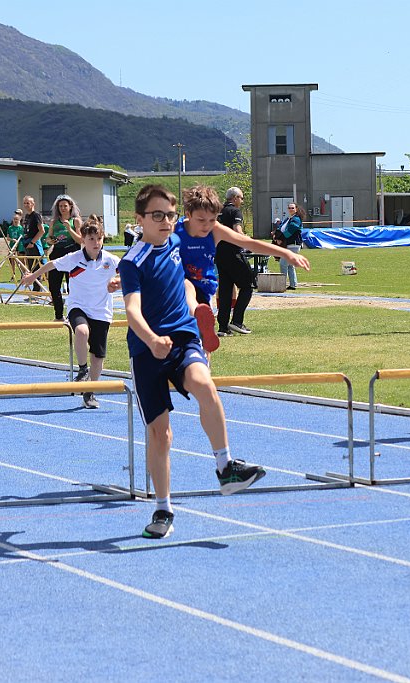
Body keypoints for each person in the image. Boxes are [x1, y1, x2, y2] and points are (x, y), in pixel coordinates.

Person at [118, 184, 267, 539]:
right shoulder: (132, 262)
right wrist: (152, 339)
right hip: (147, 350)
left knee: (205, 384)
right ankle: (163, 508)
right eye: (157, 215)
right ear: (140, 220)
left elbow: (218, 236)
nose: (166, 221)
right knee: (161, 434)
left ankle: (226, 467)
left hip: (183, 337)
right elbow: (132, 311)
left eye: (170, 215)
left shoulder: (176, 239)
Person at [176, 185, 309, 352]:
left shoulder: (215, 230)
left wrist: (286, 253)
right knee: (186, 285)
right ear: (188, 214)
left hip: (204, 287)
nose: (206, 226)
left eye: (212, 220)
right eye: (201, 220)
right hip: (179, 287)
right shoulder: (174, 232)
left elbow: (248, 243)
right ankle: (195, 314)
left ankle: (204, 337)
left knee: (204, 346)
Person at [20, 216, 119, 409]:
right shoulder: (74, 258)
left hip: (101, 311)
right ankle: (82, 369)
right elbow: (51, 264)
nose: (96, 243)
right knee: (81, 331)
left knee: (98, 357)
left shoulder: (111, 260)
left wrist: (120, 283)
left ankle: (90, 392)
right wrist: (33, 276)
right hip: (78, 306)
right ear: (83, 240)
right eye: (91, 239)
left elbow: (130, 272)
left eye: (99, 239)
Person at [215, 187, 254, 336]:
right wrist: (248, 241)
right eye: (241, 198)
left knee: (225, 290)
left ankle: (223, 327)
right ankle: (237, 321)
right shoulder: (235, 212)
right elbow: (237, 231)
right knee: (248, 285)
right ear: (235, 197)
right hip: (234, 254)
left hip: (220, 255)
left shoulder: (218, 211)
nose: (242, 201)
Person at [45, 194, 84, 320]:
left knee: (72, 286)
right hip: (57, 254)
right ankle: (58, 314)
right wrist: (50, 240)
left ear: (70, 206)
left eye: (65, 206)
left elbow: (80, 240)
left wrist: (69, 228)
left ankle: (73, 314)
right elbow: (48, 238)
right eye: (60, 206)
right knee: (53, 286)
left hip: (72, 254)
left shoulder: (76, 221)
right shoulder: (54, 222)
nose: (62, 208)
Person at [276, 202, 305, 290]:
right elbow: (280, 227)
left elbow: (290, 231)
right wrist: (276, 235)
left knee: (283, 264)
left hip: (293, 244)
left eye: (292, 208)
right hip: (288, 244)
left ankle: (282, 284)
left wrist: (280, 238)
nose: (291, 209)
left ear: (296, 209)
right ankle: (293, 284)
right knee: (290, 265)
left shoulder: (296, 219)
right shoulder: (288, 219)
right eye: (289, 208)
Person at [20, 195, 46, 291]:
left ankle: (38, 290)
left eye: (28, 203)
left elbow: (42, 231)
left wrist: (32, 242)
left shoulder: (36, 215)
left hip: (34, 245)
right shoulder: (27, 216)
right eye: (25, 203)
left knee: (36, 268)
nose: (26, 205)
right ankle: (35, 289)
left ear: (33, 204)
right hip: (27, 244)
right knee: (30, 268)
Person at [5, 208, 27, 280]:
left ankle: (23, 274)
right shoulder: (10, 228)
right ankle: (13, 274)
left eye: (17, 219)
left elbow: (22, 237)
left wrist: (18, 241)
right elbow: (8, 237)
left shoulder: (21, 228)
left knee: (21, 260)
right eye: (14, 219)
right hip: (12, 245)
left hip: (20, 245)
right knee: (12, 260)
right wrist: (12, 240)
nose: (15, 220)